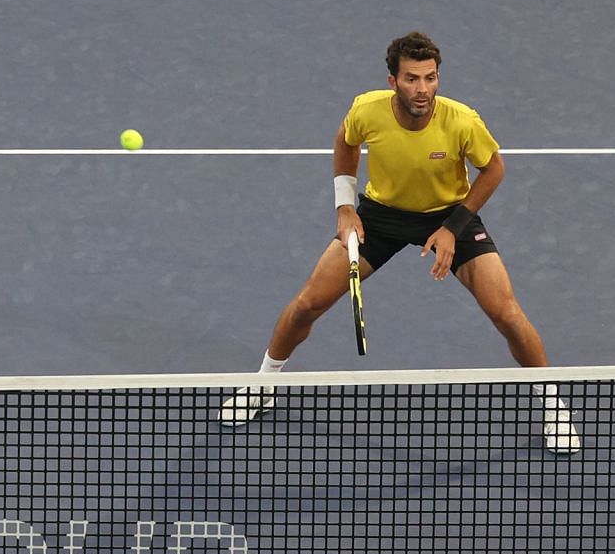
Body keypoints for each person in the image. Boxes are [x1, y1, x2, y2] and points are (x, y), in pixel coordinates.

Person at [221, 31, 579, 454]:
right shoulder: (367, 110)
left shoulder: (462, 120)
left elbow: (494, 169)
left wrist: (453, 227)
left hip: (448, 216)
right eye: (412, 79)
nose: (422, 89)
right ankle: (263, 384)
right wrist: (344, 207)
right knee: (307, 304)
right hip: (382, 217)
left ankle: (552, 404)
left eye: (430, 78)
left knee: (506, 311)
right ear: (393, 81)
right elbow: (346, 142)